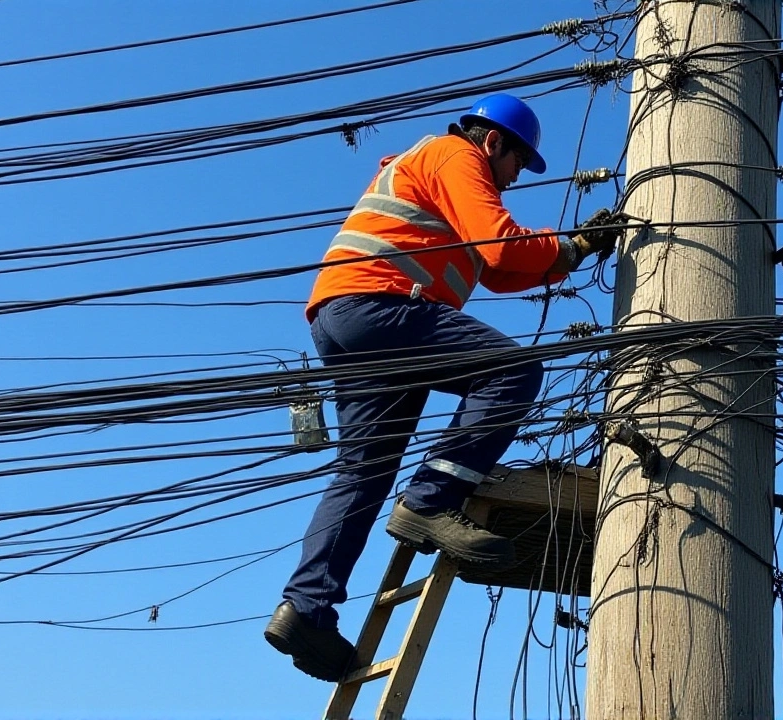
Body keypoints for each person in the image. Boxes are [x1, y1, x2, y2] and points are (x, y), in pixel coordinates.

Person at [263, 94, 624, 681]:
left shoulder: (429, 171)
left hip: (345, 317)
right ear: (494, 142)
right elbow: (503, 242)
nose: (511, 180)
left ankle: (306, 611)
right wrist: (570, 244)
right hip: (382, 304)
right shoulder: (458, 155)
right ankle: (429, 502)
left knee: (363, 469)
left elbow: (501, 270)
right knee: (513, 370)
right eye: (516, 165)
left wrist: (573, 250)